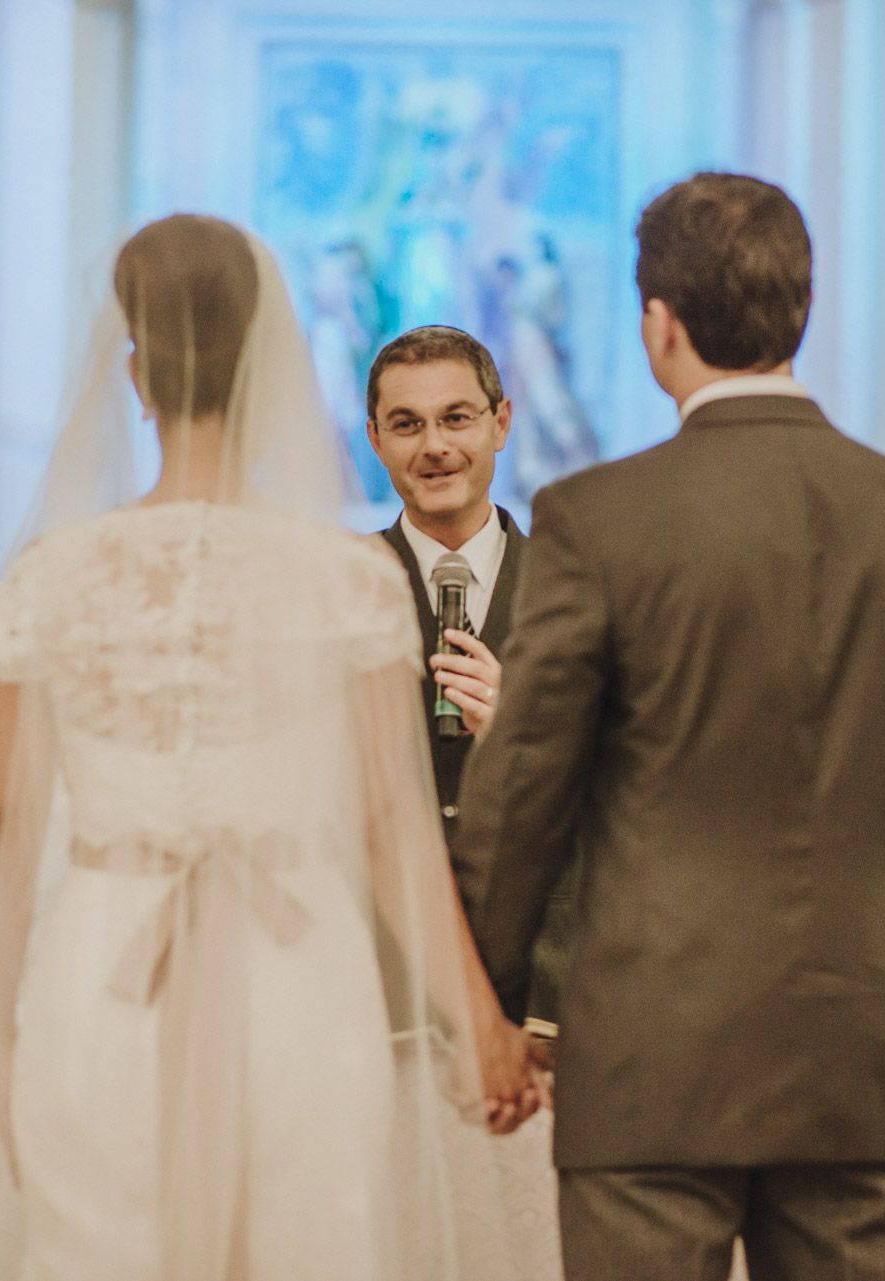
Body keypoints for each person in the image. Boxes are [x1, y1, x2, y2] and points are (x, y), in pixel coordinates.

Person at [0, 214, 538, 1281]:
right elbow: (392, 830)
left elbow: (7, 829)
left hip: (98, 976)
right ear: (265, 362)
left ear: (135, 375)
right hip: (299, 976)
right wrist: (481, 1022)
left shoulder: (53, 577)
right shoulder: (345, 581)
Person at [453, 172, 885, 1281]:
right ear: (802, 307)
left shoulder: (597, 521)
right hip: (862, 1060)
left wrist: (495, 1005)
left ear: (658, 325)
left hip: (651, 1063)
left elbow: (523, 794)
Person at [363, 324, 570, 1275]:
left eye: (457, 418)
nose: (436, 445)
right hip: (383, 992)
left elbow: (633, 790)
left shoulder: (574, 584)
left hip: (544, 991)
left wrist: (521, 736)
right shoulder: (341, 589)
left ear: (502, 423)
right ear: (375, 437)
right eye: (407, 424)